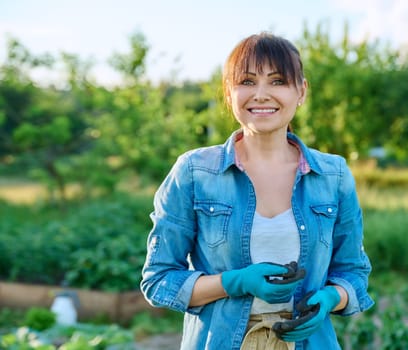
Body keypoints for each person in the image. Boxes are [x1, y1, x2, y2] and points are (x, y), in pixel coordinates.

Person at [140, 32, 374, 350]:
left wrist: (332, 297)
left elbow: (354, 272)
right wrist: (236, 282)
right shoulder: (194, 172)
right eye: (247, 82)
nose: (261, 95)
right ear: (228, 93)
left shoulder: (333, 175)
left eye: (277, 81)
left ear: (301, 91)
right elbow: (159, 279)